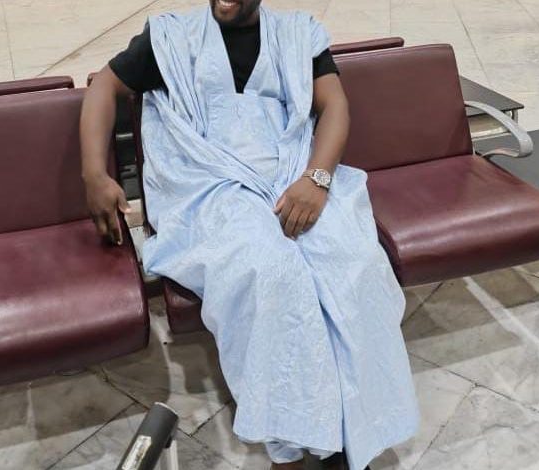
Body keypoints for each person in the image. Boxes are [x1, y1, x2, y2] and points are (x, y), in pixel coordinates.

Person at [79, 1, 420, 469]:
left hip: (293, 173)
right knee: (271, 273)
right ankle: (288, 445)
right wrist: (93, 174)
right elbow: (104, 86)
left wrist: (317, 178)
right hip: (209, 184)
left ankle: (351, 428)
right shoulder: (170, 37)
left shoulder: (297, 34)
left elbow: (334, 105)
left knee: (354, 264)